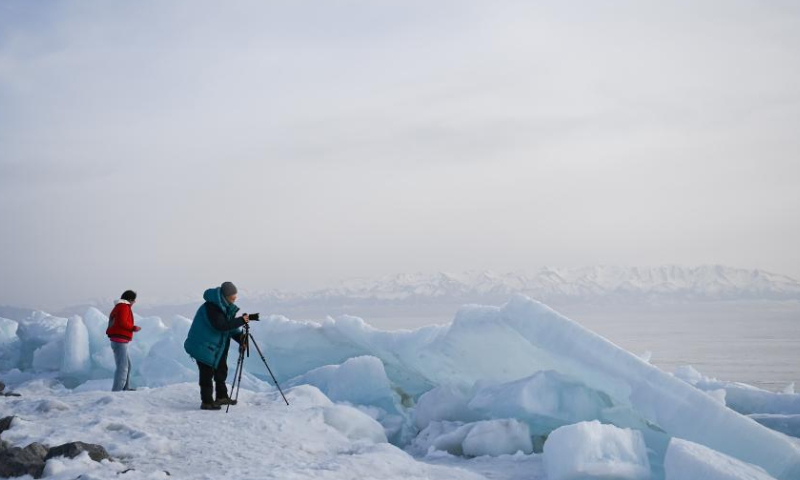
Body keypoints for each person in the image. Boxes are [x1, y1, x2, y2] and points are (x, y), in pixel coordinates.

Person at [184, 282, 250, 410]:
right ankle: (207, 402)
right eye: (232, 298)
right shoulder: (212, 307)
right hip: (203, 346)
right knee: (206, 374)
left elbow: (228, 326)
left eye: (235, 298)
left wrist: (240, 338)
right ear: (225, 296)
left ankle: (221, 397)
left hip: (215, 347)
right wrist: (241, 320)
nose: (234, 300)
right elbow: (221, 326)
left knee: (221, 369)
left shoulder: (224, 306)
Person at [106, 290, 141, 392]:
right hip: (119, 340)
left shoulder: (119, 307)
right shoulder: (123, 307)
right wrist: (134, 328)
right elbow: (122, 322)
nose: (134, 303)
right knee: (122, 367)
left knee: (127, 365)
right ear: (130, 300)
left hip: (119, 340)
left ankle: (125, 388)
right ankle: (117, 391)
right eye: (134, 300)